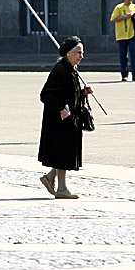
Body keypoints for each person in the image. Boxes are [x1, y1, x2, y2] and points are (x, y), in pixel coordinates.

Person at [38, 36, 93, 199]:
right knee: (63, 153)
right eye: (78, 52)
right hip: (59, 121)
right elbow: (46, 95)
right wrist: (61, 108)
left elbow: (70, 93)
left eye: (82, 53)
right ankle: (62, 189)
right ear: (68, 53)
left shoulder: (71, 69)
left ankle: (49, 178)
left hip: (70, 119)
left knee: (66, 153)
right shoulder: (60, 69)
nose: (81, 56)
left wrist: (83, 92)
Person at [110, 0, 135, 82]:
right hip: (121, 35)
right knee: (123, 56)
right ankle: (124, 75)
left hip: (132, 34)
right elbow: (113, 19)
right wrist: (126, 16)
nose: (130, 0)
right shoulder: (119, 7)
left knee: (134, 54)